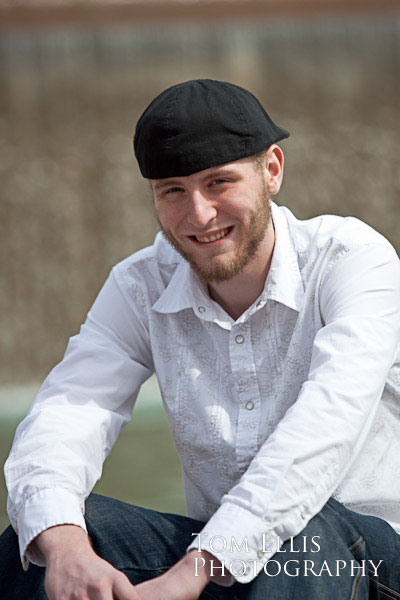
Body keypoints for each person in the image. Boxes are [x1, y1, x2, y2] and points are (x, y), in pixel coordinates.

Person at [1, 79, 400, 600]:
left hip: (367, 560)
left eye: (219, 183)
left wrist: (190, 576)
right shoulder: (140, 285)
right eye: (173, 191)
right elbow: (67, 414)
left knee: (303, 536)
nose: (199, 215)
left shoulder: (351, 259)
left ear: (272, 170)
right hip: (217, 559)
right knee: (40, 543)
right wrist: (65, 548)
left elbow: (322, 431)